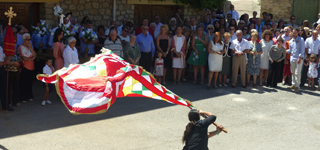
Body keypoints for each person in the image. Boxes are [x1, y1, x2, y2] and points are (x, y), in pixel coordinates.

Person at [19, 33, 36, 103]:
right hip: (25, 66)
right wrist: (31, 58)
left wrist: (31, 48)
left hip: (31, 67)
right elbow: (23, 58)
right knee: (24, 82)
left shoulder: (30, 47)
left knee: (30, 82)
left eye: (29, 39)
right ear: (23, 40)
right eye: (27, 39)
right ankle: (23, 97)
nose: (28, 41)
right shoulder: (20, 47)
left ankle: (29, 96)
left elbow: (35, 55)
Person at [287, 28, 305, 93]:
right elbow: (290, 50)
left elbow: (302, 50)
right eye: (293, 32)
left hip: (298, 58)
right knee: (293, 72)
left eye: (295, 33)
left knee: (297, 72)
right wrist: (283, 50)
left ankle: (297, 86)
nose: (294, 34)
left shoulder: (301, 39)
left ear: (298, 32)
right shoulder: (291, 41)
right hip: (292, 58)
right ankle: (293, 84)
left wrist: (300, 57)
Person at [0, 46, 15, 111]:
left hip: (1, 68)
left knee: (4, 87)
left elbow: (3, 57)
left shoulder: (0, 47)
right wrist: (5, 63)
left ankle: (5, 105)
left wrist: (7, 57)